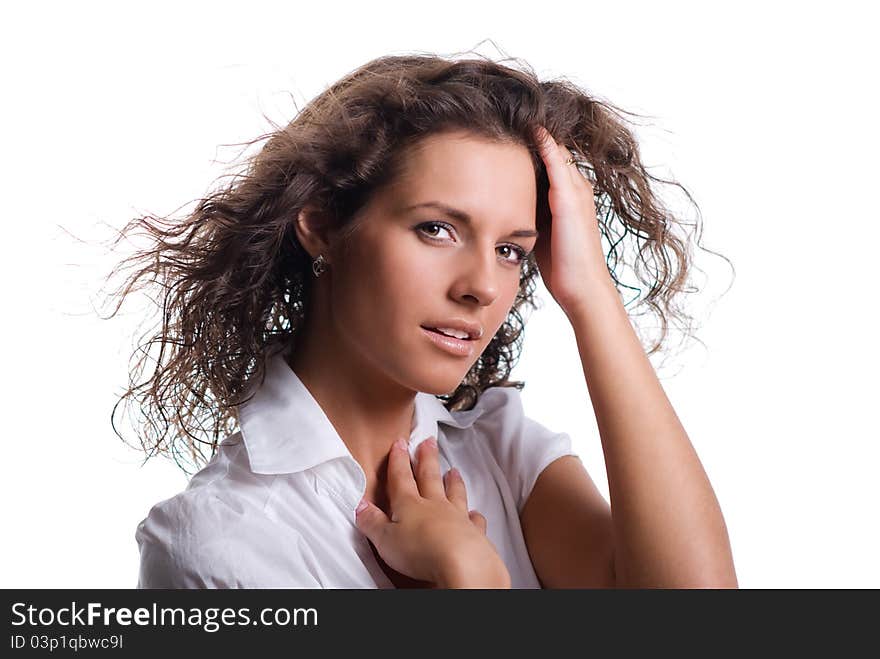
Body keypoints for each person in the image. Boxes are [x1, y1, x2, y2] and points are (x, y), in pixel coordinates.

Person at [108, 50, 737, 588]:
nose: (483, 287)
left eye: (511, 251)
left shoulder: (502, 452)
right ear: (323, 222)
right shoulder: (213, 543)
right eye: (436, 229)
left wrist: (592, 295)